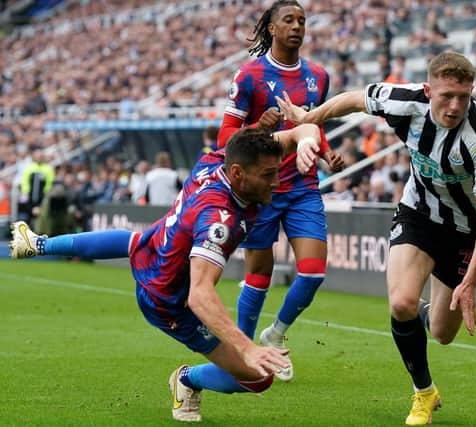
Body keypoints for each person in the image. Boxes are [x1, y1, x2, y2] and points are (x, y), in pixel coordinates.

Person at [10, 125, 321, 423]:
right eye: (268, 174)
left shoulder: (218, 159)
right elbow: (199, 295)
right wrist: (247, 347)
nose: (277, 181)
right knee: (257, 377)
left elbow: (300, 130)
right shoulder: (218, 220)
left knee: (133, 240)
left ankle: (39, 243)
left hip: (159, 245)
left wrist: (305, 142)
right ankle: (186, 379)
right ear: (238, 174)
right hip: (168, 300)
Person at [277, 51, 476, 426]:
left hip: (465, 230)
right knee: (401, 303)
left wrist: (471, 280)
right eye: (446, 96)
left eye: (463, 97)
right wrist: (308, 118)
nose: (454, 106)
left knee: (444, 334)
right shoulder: (405, 102)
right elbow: (353, 99)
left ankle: (430, 313)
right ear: (428, 90)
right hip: (418, 214)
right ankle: (424, 393)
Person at [217, 0, 344, 382]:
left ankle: (277, 333)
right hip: (263, 189)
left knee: (313, 273)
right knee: (259, 274)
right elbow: (225, 137)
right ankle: (243, 350)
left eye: (302, 20)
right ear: (271, 28)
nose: (297, 26)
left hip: (303, 187)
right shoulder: (250, 75)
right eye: (288, 19)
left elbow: (312, 124)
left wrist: (325, 153)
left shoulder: (318, 77)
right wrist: (259, 125)